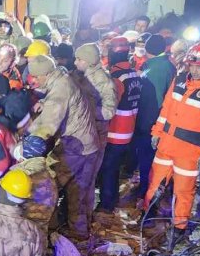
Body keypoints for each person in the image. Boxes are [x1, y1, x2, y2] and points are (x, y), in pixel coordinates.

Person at [143, 43, 200, 239]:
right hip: (166, 144)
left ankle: (179, 228)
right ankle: (147, 216)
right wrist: (156, 132)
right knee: (154, 182)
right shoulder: (180, 80)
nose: (194, 69)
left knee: (184, 192)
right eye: (192, 65)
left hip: (189, 151)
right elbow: (166, 109)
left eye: (199, 66)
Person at [26, 55, 100, 240]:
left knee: (48, 185)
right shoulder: (63, 78)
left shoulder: (59, 91)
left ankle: (45, 231)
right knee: (79, 190)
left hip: (74, 146)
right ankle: (78, 232)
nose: (33, 81)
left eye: (36, 77)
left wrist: (25, 145)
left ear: (46, 74)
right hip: (88, 144)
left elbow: (47, 128)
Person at [96, 36, 141, 215]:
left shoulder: (116, 78)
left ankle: (107, 204)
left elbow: (109, 106)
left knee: (109, 168)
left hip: (115, 131)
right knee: (113, 167)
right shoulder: (134, 74)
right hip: (129, 128)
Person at [133, 34, 176, 203]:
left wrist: (147, 125)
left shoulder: (156, 69)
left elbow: (154, 101)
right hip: (155, 122)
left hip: (150, 124)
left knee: (148, 159)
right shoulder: (163, 65)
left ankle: (147, 192)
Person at [73, 43, 117, 167]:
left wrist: (85, 109)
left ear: (89, 61)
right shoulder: (80, 76)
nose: (75, 62)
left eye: (79, 59)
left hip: (95, 135)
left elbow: (109, 111)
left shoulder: (103, 81)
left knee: (88, 173)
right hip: (81, 134)